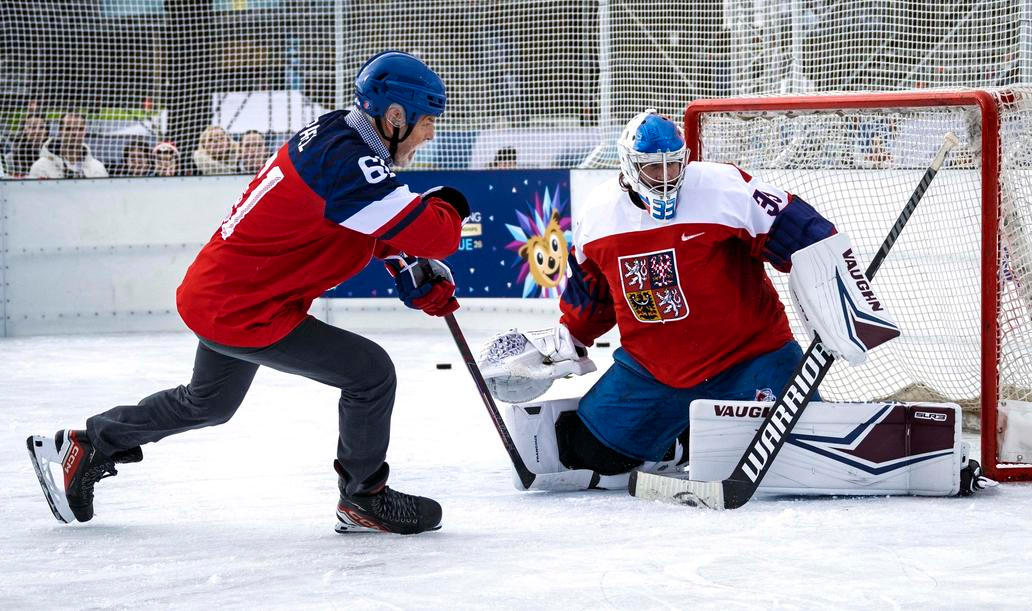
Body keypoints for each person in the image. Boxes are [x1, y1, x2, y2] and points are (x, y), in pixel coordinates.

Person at [27, 50, 467, 535]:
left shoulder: (341, 135)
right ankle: (364, 497)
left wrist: (402, 264)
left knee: (208, 404)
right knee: (370, 374)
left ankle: (89, 445)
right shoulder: (348, 163)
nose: (430, 134)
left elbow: (356, 222)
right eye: (427, 121)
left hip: (224, 294)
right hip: (246, 308)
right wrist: (449, 201)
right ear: (396, 116)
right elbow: (437, 233)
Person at [478, 109, 912, 492]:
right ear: (630, 167)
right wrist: (567, 340)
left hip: (751, 357)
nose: (666, 178)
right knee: (594, 452)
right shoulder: (597, 214)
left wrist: (839, 293)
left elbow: (801, 230)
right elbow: (592, 292)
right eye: (653, 169)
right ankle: (683, 437)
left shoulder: (723, 186)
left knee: (804, 454)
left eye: (674, 165)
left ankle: (697, 428)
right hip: (652, 369)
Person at [29, 112, 108, 179]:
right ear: (60, 132)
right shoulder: (41, 167)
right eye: (68, 129)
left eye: (80, 129)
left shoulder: (98, 168)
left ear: (85, 131)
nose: (74, 133)